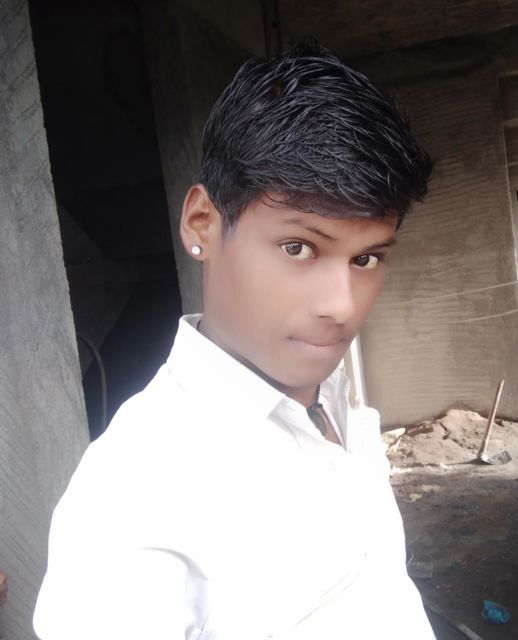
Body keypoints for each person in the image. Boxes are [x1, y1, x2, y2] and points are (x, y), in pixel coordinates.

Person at [33, 44, 436, 639]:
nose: (342, 306)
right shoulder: (135, 495)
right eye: (299, 247)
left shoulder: (333, 395)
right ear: (202, 222)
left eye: (367, 258)